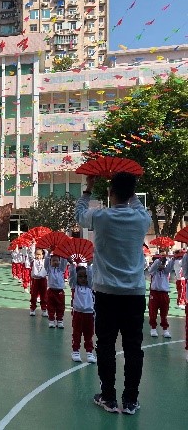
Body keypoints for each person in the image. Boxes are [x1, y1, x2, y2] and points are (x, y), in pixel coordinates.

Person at [76, 172, 151, 415]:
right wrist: (130, 190)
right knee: (133, 346)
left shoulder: (101, 217)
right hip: (135, 293)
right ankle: (130, 400)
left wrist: (88, 189)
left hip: (106, 292)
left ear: (110, 192)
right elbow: (137, 205)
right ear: (132, 194)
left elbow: (80, 215)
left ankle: (108, 397)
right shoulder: (142, 218)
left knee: (106, 344)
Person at [70, 265, 96, 363]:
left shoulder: (90, 287)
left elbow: (91, 277)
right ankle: (75, 351)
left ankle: (89, 352)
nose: (83, 279)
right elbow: (72, 276)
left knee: (89, 334)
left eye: (85, 276)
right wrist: (72, 265)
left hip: (89, 314)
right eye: (80, 277)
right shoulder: (75, 287)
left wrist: (89, 266)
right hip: (78, 313)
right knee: (76, 333)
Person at [147, 255, 174, 339]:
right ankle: (153, 328)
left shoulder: (165, 272)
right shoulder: (153, 272)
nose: (162, 265)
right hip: (154, 294)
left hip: (164, 294)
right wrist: (159, 260)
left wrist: (174, 258)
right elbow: (153, 267)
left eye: (163, 264)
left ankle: (165, 329)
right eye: (161, 263)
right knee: (153, 312)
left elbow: (170, 266)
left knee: (164, 313)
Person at [46, 254, 69, 329]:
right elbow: (46, 263)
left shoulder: (61, 269)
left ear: (59, 261)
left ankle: (60, 320)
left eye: (57, 260)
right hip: (51, 291)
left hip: (60, 292)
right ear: (50, 262)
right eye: (53, 261)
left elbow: (64, 262)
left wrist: (62, 253)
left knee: (61, 306)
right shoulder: (49, 270)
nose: (55, 262)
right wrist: (48, 253)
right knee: (50, 306)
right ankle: (51, 320)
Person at [29, 248, 49, 317]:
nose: (38, 256)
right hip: (35, 280)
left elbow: (47, 256)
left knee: (44, 295)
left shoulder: (45, 261)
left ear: (43, 255)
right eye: (36, 254)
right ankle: (32, 309)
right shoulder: (33, 261)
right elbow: (30, 255)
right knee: (33, 295)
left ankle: (44, 309)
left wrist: (45, 248)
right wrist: (32, 245)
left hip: (43, 280)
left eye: (40, 254)